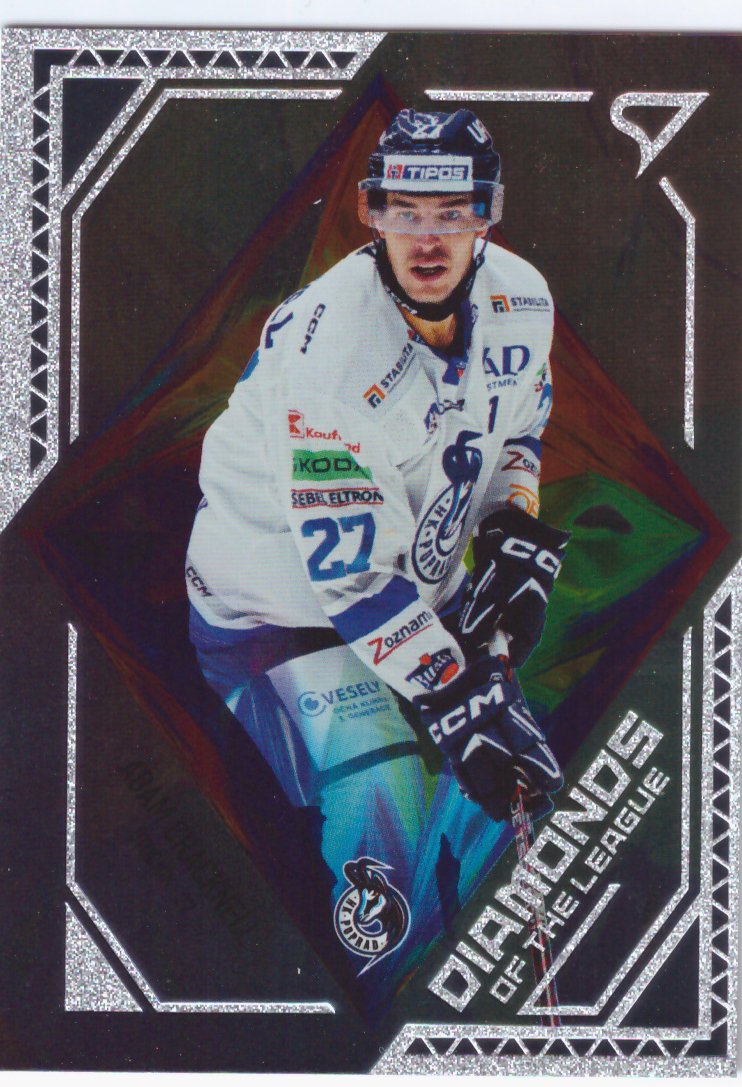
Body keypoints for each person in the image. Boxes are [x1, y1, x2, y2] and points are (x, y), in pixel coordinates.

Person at [185, 109, 569, 984]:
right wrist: (456, 695)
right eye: (405, 211)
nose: (427, 239)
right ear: (372, 212)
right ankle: (386, 994)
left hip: (408, 584)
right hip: (278, 610)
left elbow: (521, 430)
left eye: (451, 213)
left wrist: (510, 528)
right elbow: (353, 583)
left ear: (487, 212)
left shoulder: (523, 299)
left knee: (513, 787)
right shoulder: (333, 356)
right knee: (389, 792)